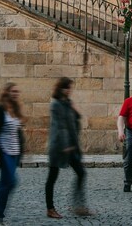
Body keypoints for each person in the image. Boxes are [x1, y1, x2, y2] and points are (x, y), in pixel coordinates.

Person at [45, 77, 92, 219]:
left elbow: (74, 122)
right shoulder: (55, 105)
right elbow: (60, 127)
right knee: (52, 178)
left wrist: (75, 111)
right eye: (67, 87)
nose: (69, 90)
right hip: (59, 148)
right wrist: (66, 146)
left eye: (70, 87)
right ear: (61, 89)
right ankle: (50, 208)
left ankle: (78, 206)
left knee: (81, 173)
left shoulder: (67, 103)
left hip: (70, 147)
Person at [0, 83, 25, 225]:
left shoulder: (15, 109)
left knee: (7, 183)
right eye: (13, 91)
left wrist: (23, 150)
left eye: (17, 91)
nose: (16, 94)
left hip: (15, 152)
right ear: (7, 92)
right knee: (10, 182)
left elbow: (18, 132)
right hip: (3, 152)